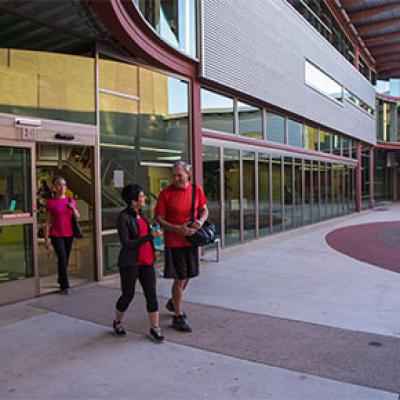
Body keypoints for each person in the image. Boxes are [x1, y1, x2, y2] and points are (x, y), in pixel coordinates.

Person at [155, 160, 208, 332]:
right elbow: (160, 219)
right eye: (174, 175)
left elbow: (204, 209)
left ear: (188, 174)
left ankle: (173, 301)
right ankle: (177, 316)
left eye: (179, 175)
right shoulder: (166, 193)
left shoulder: (196, 190)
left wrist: (200, 221)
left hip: (191, 241)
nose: (176, 178)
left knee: (189, 275)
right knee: (179, 278)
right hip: (175, 242)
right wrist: (177, 228)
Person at [113, 183, 165, 343]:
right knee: (127, 295)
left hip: (147, 261)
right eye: (142, 196)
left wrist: (154, 232)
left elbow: (145, 234)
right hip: (130, 263)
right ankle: (117, 322)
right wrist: (149, 236)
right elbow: (127, 243)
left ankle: (155, 328)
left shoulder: (141, 215)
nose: (145, 198)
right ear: (133, 201)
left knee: (151, 294)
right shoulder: (123, 218)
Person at [44, 176, 80, 295]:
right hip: (56, 234)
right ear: (54, 187)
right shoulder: (51, 203)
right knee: (62, 257)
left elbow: (77, 216)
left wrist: (73, 209)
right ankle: (65, 286)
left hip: (69, 234)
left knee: (65, 259)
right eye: (59, 184)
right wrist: (46, 239)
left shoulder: (71, 201)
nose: (62, 187)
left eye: (64, 184)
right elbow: (48, 222)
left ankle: (61, 277)